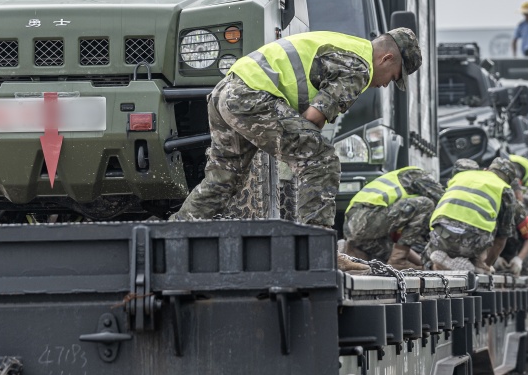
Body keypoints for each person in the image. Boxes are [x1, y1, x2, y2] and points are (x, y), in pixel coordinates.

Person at [172, 29, 423, 270]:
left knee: (224, 177)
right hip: (252, 97)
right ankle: (320, 252)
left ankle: (173, 238)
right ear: (387, 58)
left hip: (225, 91)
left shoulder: (344, 43)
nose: (387, 84)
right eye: (394, 76)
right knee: (322, 160)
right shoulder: (360, 67)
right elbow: (313, 118)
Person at [424, 157, 522, 272]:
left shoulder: (463, 175)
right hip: (471, 245)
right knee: (492, 221)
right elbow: (501, 239)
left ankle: (437, 264)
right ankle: (475, 265)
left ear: (486, 170)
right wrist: (487, 265)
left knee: (427, 258)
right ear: (508, 181)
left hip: (440, 237)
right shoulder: (505, 189)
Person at [343, 166, 444, 270]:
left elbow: (402, 248)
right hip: (364, 219)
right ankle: (398, 261)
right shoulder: (415, 174)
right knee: (425, 204)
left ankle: (355, 258)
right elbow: (443, 201)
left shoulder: (398, 218)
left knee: (405, 263)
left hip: (356, 233)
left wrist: (429, 266)